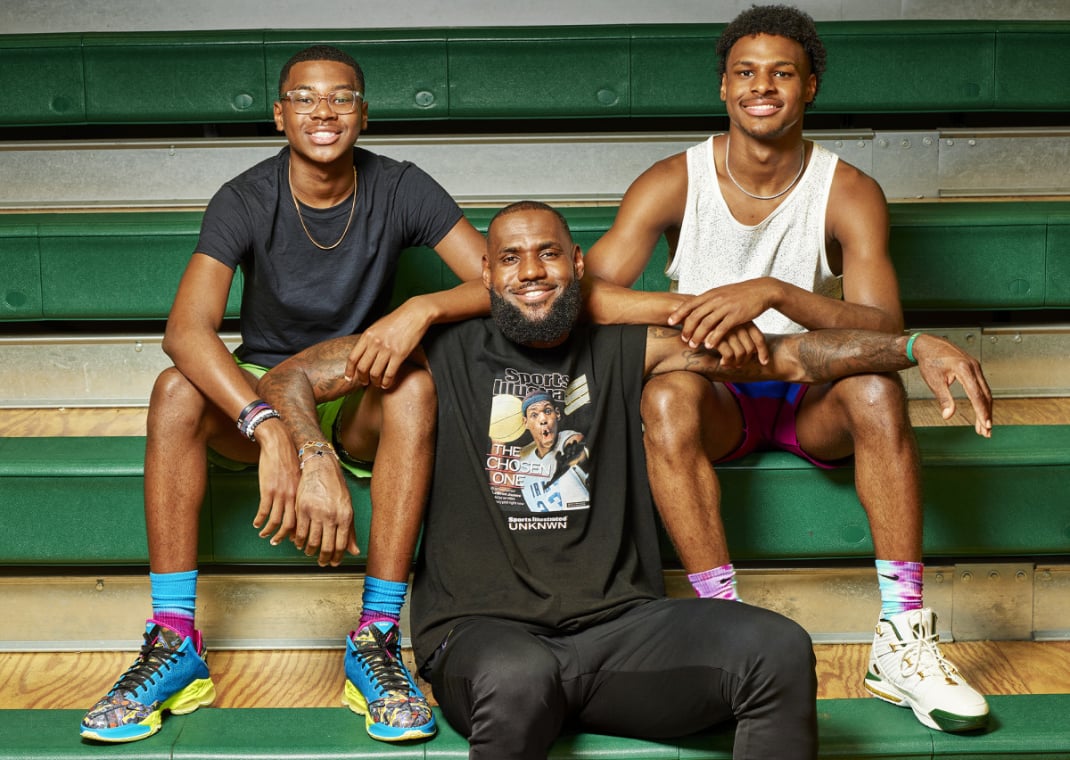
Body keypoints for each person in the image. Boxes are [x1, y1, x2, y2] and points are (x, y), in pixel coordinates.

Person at [257, 201, 993, 759]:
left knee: (776, 651)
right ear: (485, 275)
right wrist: (313, 456)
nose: (531, 271)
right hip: (484, 636)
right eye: (511, 258)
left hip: (621, 631)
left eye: (548, 253)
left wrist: (912, 347)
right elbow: (290, 378)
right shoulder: (437, 349)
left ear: (578, 265)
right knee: (519, 681)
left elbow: (793, 358)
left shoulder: (628, 348)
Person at [583, 4, 991, 733]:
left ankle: (902, 640)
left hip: (810, 391)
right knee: (665, 395)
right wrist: (699, 310)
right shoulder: (673, 180)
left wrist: (773, 293)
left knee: (877, 388)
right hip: (715, 391)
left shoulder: (848, 189)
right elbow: (591, 297)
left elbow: (883, 326)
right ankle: (722, 629)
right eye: (745, 72)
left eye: (782, 73)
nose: (761, 87)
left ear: (810, 87)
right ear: (723, 87)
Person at [79, 44, 491, 744]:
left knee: (415, 385)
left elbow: (498, 281)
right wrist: (271, 427)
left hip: (354, 386)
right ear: (279, 114)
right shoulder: (245, 196)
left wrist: (420, 309)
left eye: (341, 97)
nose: (323, 111)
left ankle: (377, 637)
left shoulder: (401, 187)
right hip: (265, 384)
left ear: (364, 113)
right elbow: (185, 331)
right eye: (304, 97)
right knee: (175, 390)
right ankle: (174, 639)